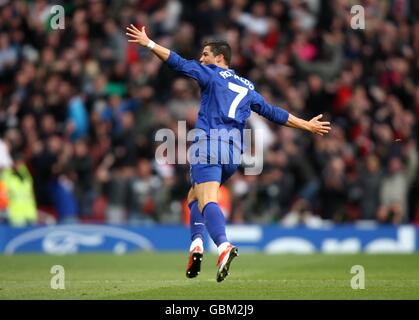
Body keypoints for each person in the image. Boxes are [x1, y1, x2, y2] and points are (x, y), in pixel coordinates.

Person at [126, 25, 331, 282]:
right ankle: (196, 246)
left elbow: (178, 63)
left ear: (219, 58)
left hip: (209, 144)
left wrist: (149, 44)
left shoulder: (211, 74)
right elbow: (272, 112)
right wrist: (306, 124)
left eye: (205, 54)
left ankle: (223, 246)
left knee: (207, 198)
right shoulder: (247, 86)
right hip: (233, 153)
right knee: (195, 194)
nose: (201, 59)